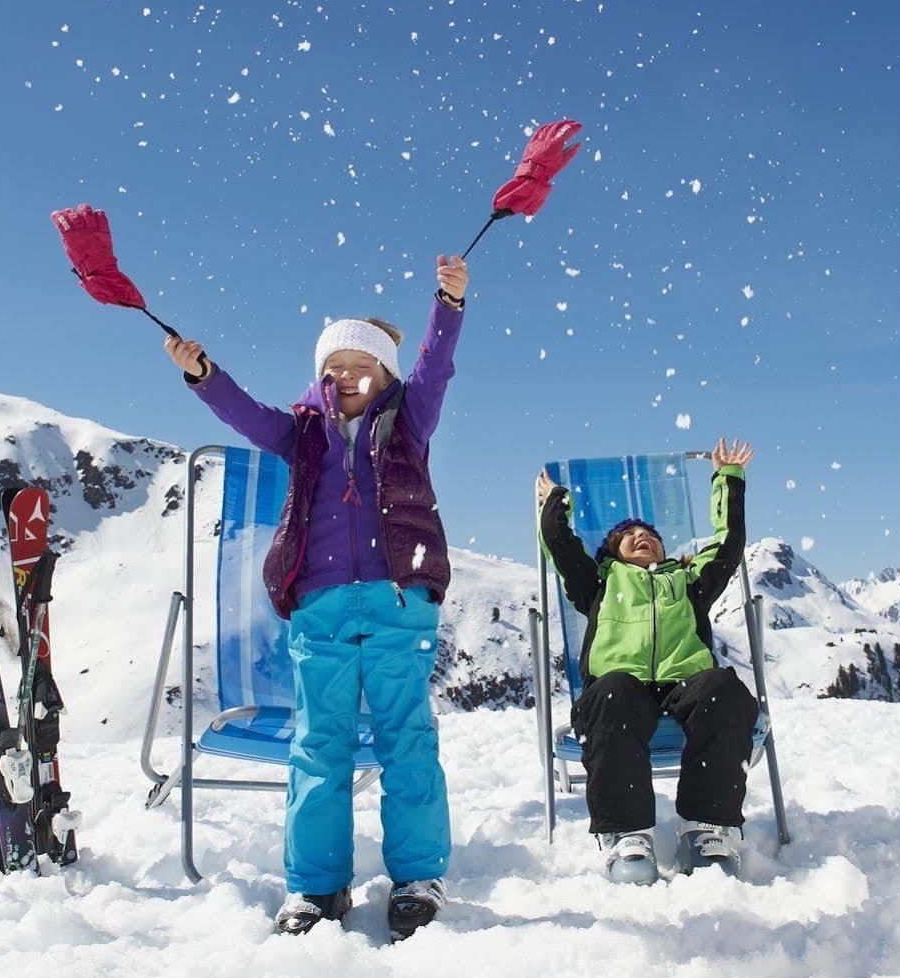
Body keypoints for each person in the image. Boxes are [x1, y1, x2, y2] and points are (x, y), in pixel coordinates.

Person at [163, 255, 469, 938]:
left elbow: (435, 369)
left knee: (405, 739)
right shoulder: (300, 432)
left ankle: (417, 874)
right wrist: (202, 373)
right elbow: (243, 413)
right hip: (323, 604)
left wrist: (446, 307)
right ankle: (315, 885)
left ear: (385, 374)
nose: (346, 378)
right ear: (320, 377)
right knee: (319, 743)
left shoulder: (409, 420)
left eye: (361, 366)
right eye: (334, 368)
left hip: (397, 599)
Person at [536, 439, 761, 884]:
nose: (643, 538)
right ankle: (626, 835)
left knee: (724, 690)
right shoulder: (597, 583)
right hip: (622, 683)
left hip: (685, 682)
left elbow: (729, 544)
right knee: (612, 695)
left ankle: (705, 828)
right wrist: (554, 502)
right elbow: (560, 547)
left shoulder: (689, 580)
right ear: (613, 552)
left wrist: (728, 481)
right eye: (630, 536)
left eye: (651, 536)